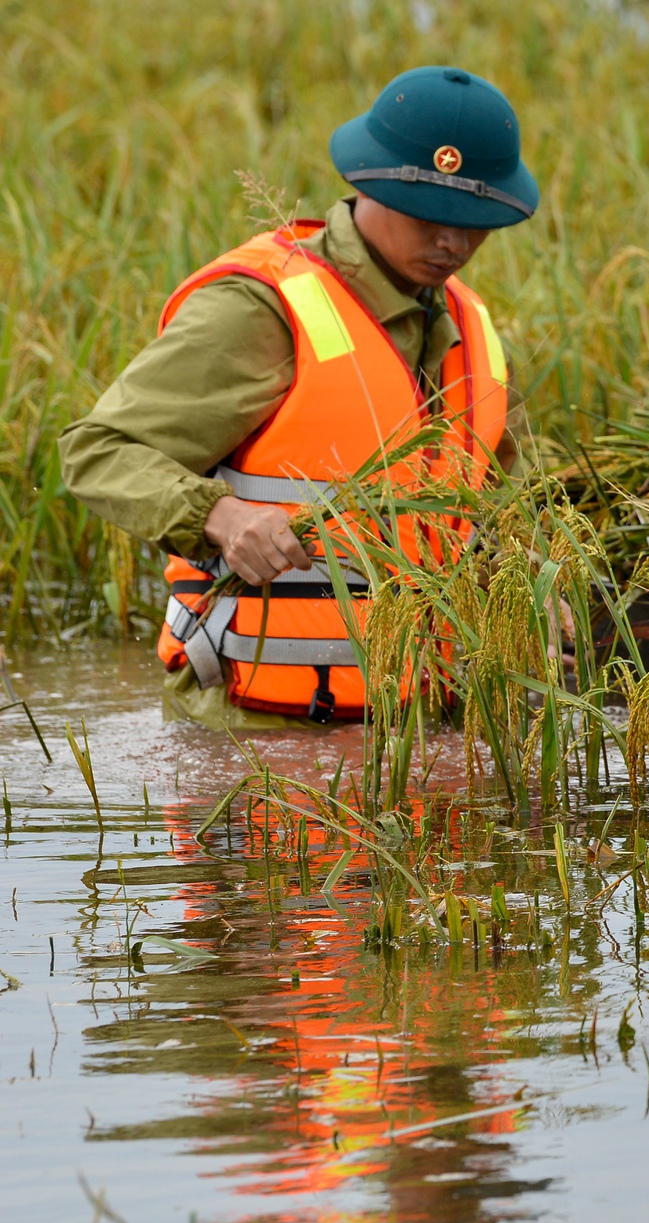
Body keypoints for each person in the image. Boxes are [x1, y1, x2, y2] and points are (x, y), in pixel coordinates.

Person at [61, 66, 539, 729]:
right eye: (430, 215)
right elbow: (97, 450)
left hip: (414, 739)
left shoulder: (471, 329)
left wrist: (529, 590)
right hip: (254, 743)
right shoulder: (263, 308)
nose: (453, 242)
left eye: (476, 221)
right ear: (368, 181)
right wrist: (222, 517)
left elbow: (480, 514)